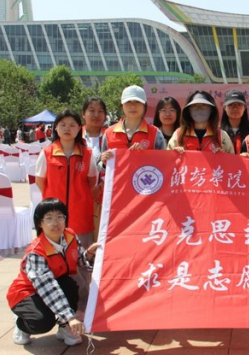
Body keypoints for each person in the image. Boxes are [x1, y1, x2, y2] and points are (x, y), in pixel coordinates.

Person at [7, 198, 99, 346]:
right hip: (26, 293)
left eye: (60, 217)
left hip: (57, 282)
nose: (55, 223)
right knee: (43, 322)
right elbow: (48, 287)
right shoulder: (36, 252)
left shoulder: (69, 236)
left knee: (70, 284)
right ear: (40, 223)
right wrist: (70, 317)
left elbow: (78, 260)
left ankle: (64, 327)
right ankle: (21, 324)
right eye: (49, 218)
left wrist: (89, 253)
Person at [35, 109, 97, 248]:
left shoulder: (87, 154)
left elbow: (92, 182)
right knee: (53, 252)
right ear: (56, 128)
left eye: (72, 125)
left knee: (81, 253)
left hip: (80, 214)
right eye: (62, 125)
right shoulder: (47, 153)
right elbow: (40, 182)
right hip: (54, 213)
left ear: (79, 128)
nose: (67, 129)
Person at [100, 85, 166, 168]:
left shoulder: (155, 133)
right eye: (128, 102)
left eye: (137, 102)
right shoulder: (109, 133)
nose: (133, 106)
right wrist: (104, 163)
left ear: (144, 105)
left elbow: (163, 164)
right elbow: (100, 166)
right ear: (122, 106)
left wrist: (145, 156)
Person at [168, 91, 234, 154]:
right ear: (188, 110)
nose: (199, 109)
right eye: (194, 106)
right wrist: (174, 155)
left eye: (204, 105)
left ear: (212, 110)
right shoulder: (178, 135)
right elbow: (167, 160)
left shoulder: (222, 136)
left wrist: (223, 156)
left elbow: (233, 160)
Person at [81, 97, 108, 241]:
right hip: (79, 195)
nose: (96, 115)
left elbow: (117, 165)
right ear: (83, 114)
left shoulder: (111, 135)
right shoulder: (75, 135)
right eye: (91, 111)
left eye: (100, 111)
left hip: (103, 195)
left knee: (100, 237)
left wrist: (101, 186)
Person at [220, 90, 249, 155]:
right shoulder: (217, 133)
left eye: (239, 105)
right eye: (231, 105)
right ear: (225, 107)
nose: (235, 108)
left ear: (244, 107)